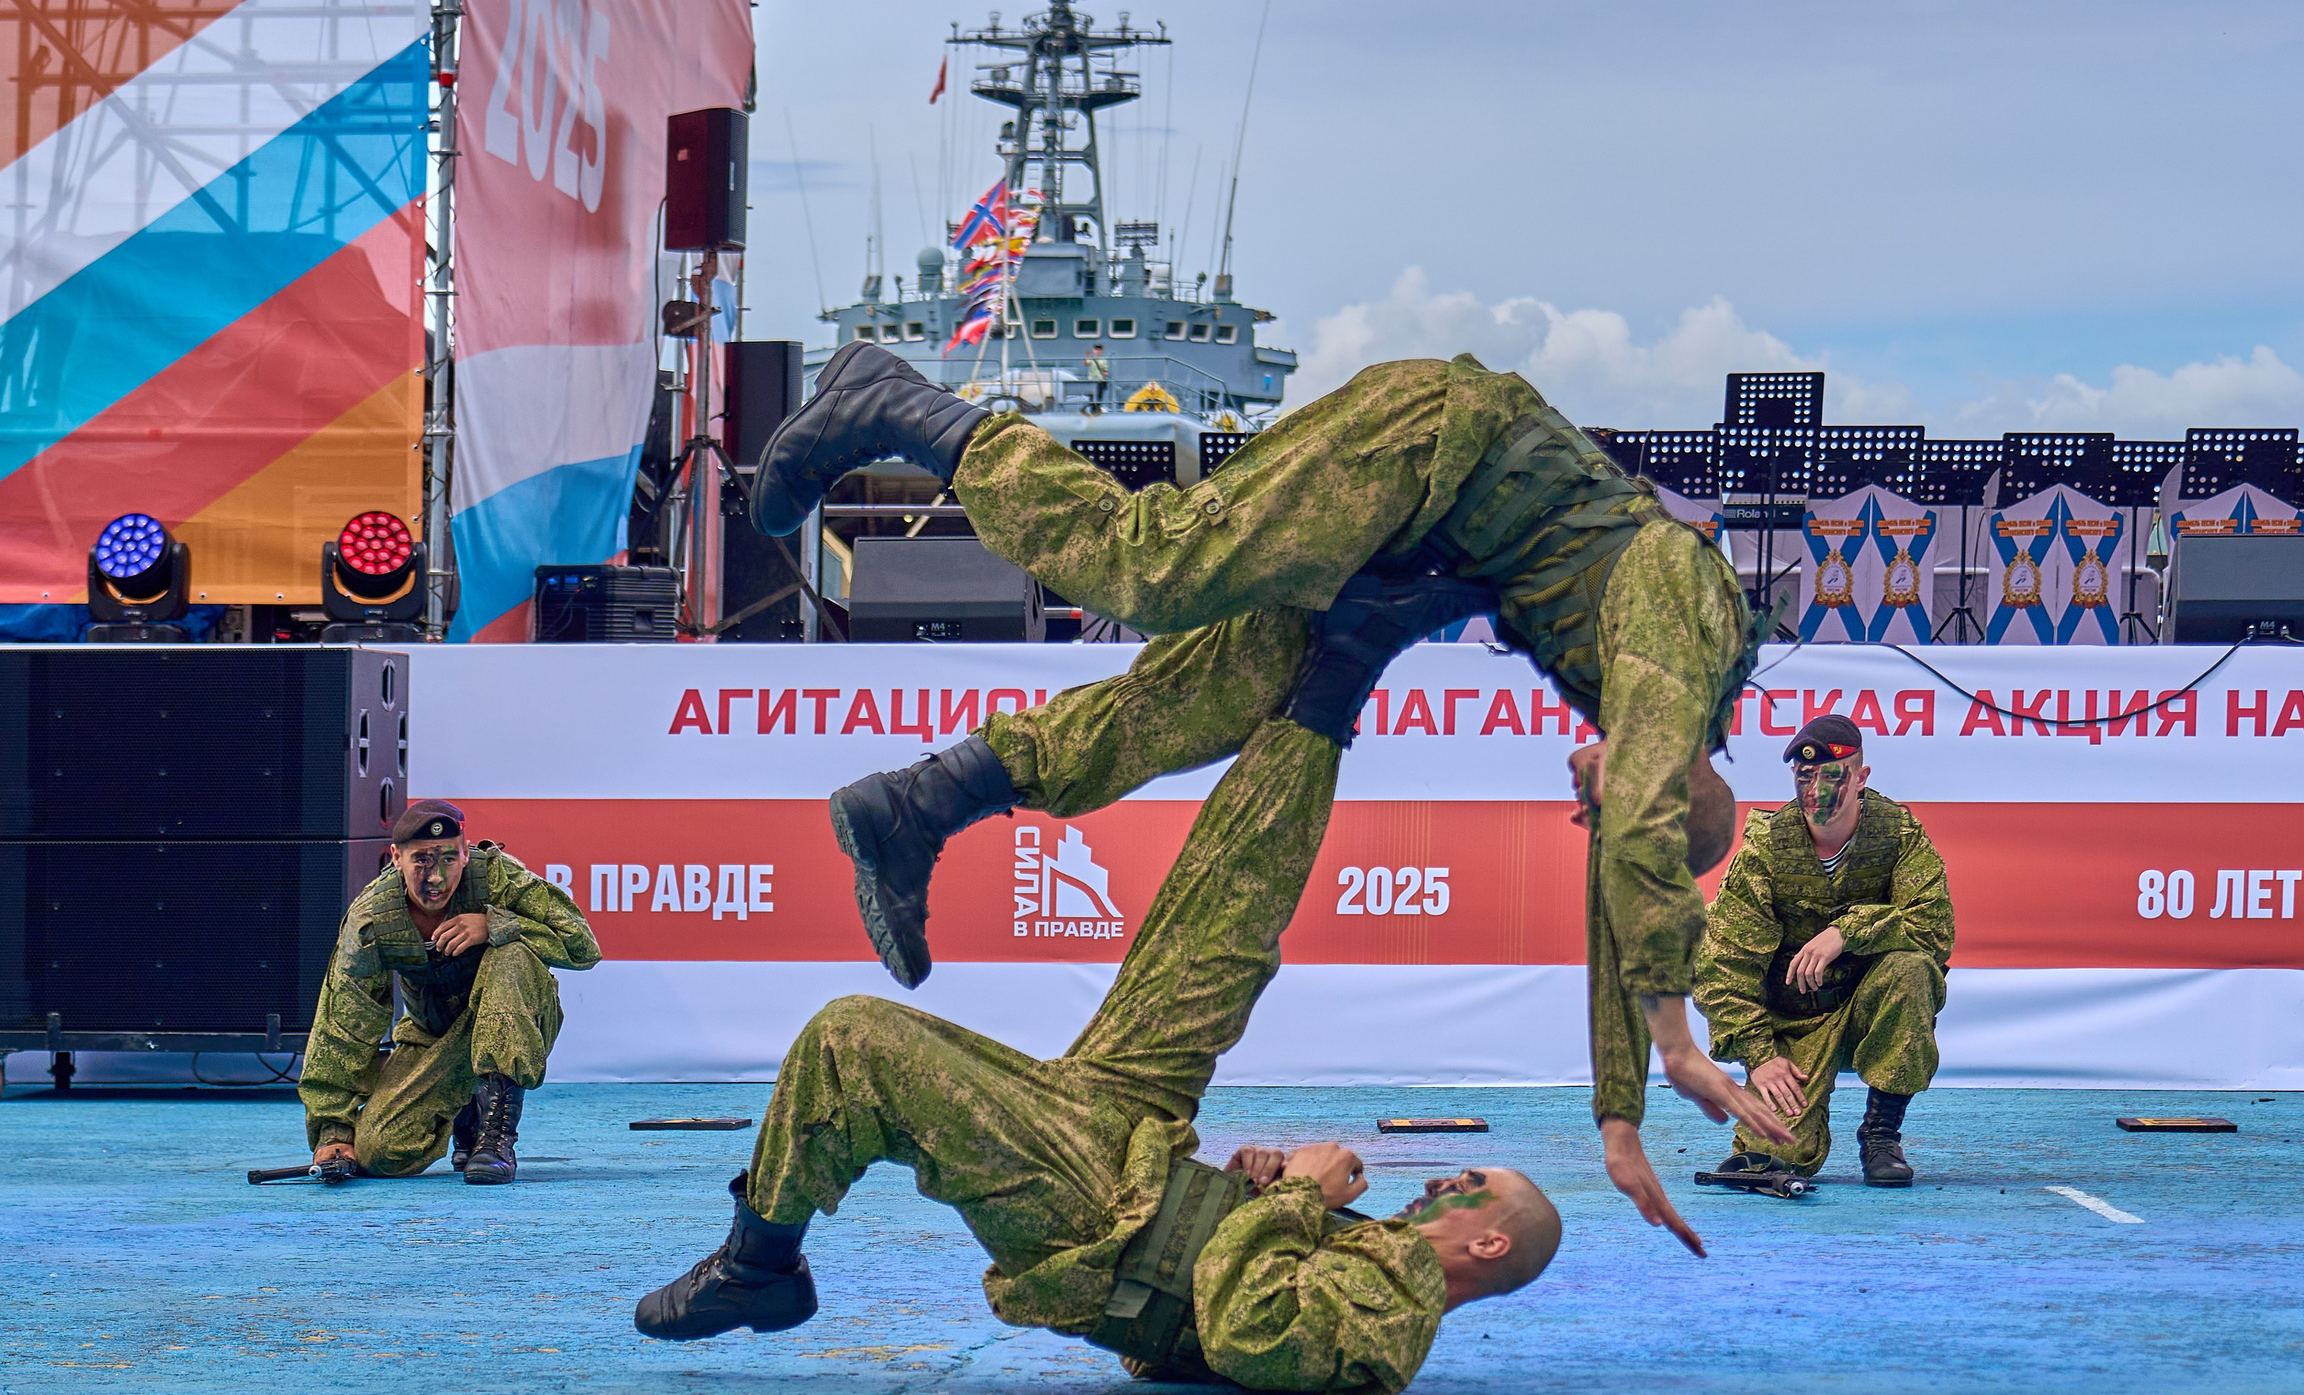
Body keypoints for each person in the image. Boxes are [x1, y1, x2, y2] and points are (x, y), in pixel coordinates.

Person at [752, 341, 1792, 1244]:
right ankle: (899, 404)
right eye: (1602, 808)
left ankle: (923, 802)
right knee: (1155, 570)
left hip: (1416, 540)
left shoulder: (1648, 722)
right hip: (1434, 449)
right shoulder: (1679, 634)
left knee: (1216, 694)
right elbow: (1644, 840)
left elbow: (1629, 872)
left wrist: (1619, 1118)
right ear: (1676, 779)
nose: (1583, 807)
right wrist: (1673, 1044)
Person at [632, 582, 1565, 1395]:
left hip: (1100, 1212)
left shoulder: (1396, 1322)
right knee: (1217, 934)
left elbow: (1245, 1333)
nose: (1445, 1177)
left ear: (1485, 1245)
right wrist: (1253, 1190)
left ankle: (760, 1265)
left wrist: (1299, 1205)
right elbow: (1228, 1304)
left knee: (852, 1040)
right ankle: (1343, 665)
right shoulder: (1384, 1261)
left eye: (1470, 1185)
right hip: (1143, 1148)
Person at [1693, 715, 1953, 1184]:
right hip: (1790, 1023)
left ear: (1862, 779)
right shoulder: (1769, 849)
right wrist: (1759, 1054)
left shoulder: (1897, 835)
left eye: (1833, 776)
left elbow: (1933, 930)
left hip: (1866, 1009)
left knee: (1912, 969)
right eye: (1805, 776)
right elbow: (1721, 964)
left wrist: (1849, 931)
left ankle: (1880, 1135)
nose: (1816, 790)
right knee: (1773, 1154)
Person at [299, 801, 602, 1185]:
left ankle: (495, 1137)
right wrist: (334, 1132)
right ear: (396, 858)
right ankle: (466, 1108)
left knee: (510, 954)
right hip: (436, 1036)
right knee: (381, 1154)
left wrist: (494, 924)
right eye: (422, 860)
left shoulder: (496, 877)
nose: (436, 877)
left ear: (465, 851)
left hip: (518, 1018)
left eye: (448, 858)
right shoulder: (373, 919)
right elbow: (342, 1026)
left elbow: (582, 946)